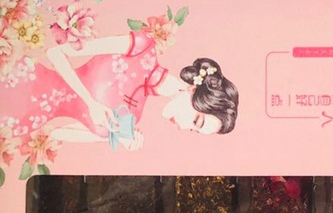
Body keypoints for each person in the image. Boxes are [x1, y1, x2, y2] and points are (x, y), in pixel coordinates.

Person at [1, 31, 239, 152]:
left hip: (21, 120)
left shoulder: (131, 119)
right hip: (19, 77)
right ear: (194, 89)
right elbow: (56, 53)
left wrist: (113, 137)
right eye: (196, 121)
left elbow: (53, 133)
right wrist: (91, 103)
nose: (185, 127)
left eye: (193, 131)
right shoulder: (142, 48)